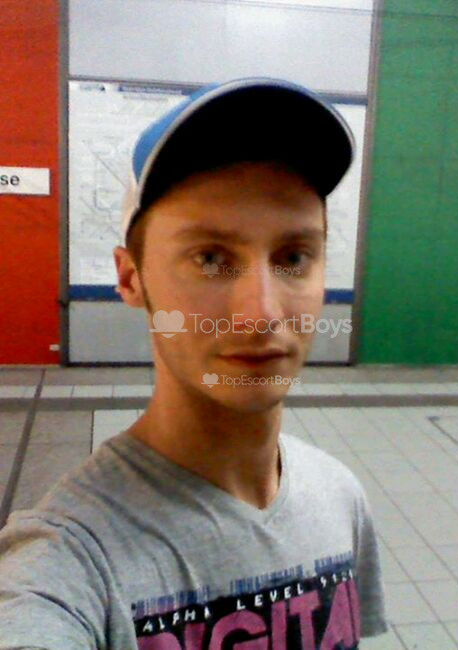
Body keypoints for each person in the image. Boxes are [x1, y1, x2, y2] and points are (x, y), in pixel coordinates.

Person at [0, 77, 388, 649]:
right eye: (210, 258)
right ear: (131, 278)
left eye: (293, 256)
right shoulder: (70, 558)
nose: (262, 313)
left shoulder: (339, 497)